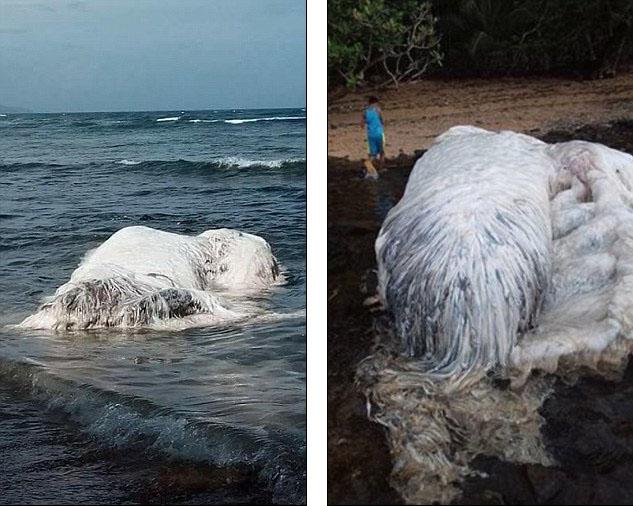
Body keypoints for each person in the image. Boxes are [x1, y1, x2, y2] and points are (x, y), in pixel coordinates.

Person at [360, 96, 385, 178]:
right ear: (375, 102)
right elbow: (382, 121)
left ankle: (369, 167)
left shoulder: (365, 112)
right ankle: (380, 169)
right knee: (381, 152)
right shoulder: (378, 110)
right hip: (378, 133)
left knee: (372, 153)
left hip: (370, 134)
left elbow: (362, 125)